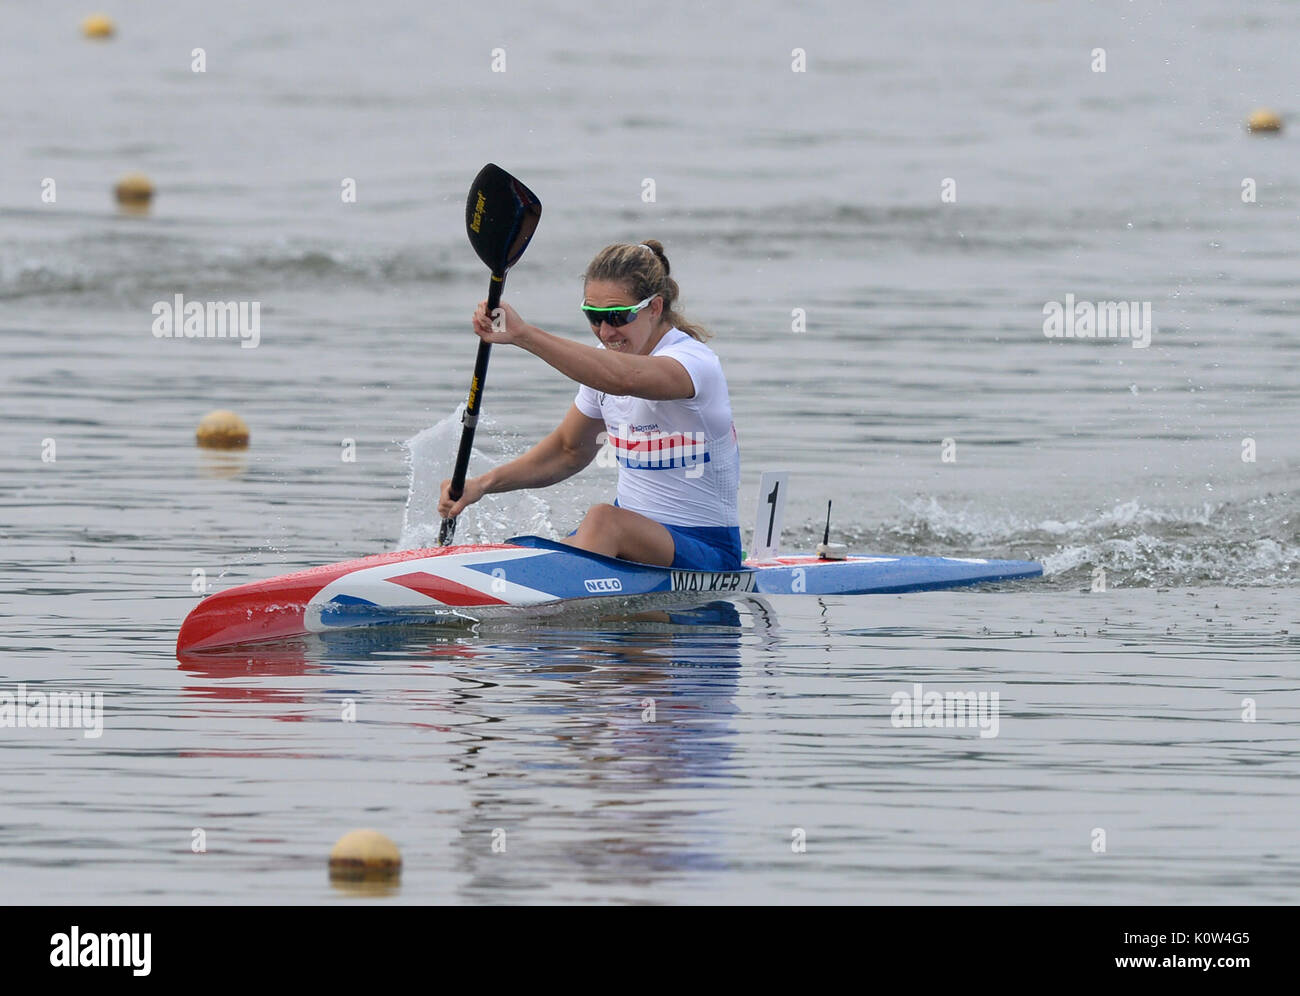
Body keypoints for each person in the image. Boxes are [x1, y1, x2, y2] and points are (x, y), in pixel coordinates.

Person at [437, 240, 741, 570]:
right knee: (521, 550)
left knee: (601, 520)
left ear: (654, 307)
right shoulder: (604, 365)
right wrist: (481, 485)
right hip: (630, 543)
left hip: (707, 549)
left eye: (617, 316)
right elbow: (568, 450)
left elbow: (624, 379)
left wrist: (523, 335)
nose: (606, 332)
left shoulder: (694, 364)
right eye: (594, 317)